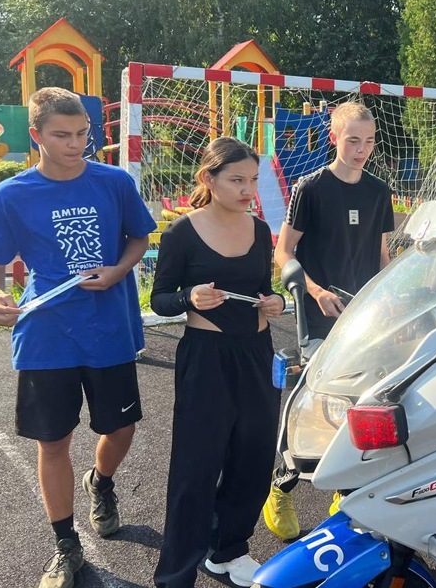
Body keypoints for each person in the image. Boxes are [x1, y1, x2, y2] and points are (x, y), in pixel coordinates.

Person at [0, 87, 156, 588]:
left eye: (83, 133)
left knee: (120, 431)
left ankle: (101, 482)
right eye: (62, 135)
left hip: (109, 332)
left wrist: (120, 269)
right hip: (45, 337)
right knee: (53, 441)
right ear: (35, 136)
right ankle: (66, 546)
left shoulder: (114, 182)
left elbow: (139, 236)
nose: (76, 143)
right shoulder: (13, 194)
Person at [150, 137, 285, 588]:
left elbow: (264, 287)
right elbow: (161, 299)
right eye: (237, 180)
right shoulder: (181, 233)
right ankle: (175, 575)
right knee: (196, 468)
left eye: (252, 180)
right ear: (209, 178)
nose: (248, 190)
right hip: (206, 360)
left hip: (257, 357)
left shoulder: (261, 230)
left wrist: (276, 302)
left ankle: (229, 549)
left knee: (254, 456)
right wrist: (189, 296)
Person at [263, 101, 395, 540]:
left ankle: (343, 490)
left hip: (366, 319)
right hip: (320, 317)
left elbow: (381, 255)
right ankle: (281, 485)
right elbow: (284, 252)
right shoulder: (311, 188)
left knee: (363, 404)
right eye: (353, 140)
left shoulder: (378, 190)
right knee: (310, 404)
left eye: (369, 141)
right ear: (334, 138)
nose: (362, 149)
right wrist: (315, 291)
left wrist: (392, 297)